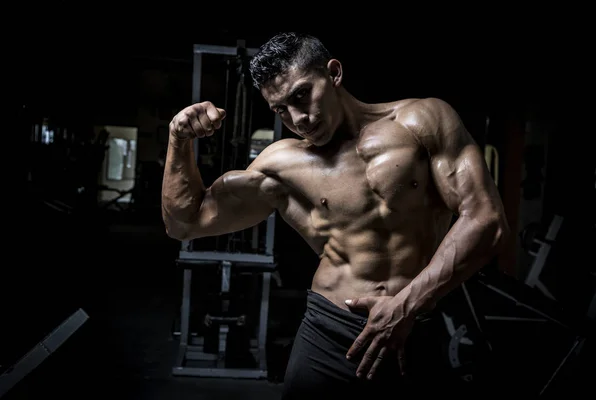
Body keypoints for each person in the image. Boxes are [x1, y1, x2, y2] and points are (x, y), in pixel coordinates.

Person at [161, 32, 510, 399]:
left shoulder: (422, 121)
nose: (299, 119)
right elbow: (183, 222)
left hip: (418, 325)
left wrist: (405, 307)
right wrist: (178, 140)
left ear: (334, 73)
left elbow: (486, 220)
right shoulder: (282, 164)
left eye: (301, 95)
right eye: (281, 109)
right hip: (329, 334)